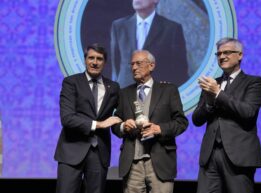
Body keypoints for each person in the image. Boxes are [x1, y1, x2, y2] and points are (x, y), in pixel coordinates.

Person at [192, 37, 261, 193]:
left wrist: (218, 93)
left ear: (240, 55)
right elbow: (197, 120)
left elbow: (248, 112)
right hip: (210, 155)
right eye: (218, 54)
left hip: (238, 155)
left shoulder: (253, 82)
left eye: (227, 52)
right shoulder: (211, 84)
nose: (222, 57)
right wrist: (210, 103)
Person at [112, 50, 188, 193]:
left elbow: (181, 122)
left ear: (151, 66)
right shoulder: (124, 93)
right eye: (132, 64)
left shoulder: (168, 90)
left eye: (139, 63)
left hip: (160, 162)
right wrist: (123, 126)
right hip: (132, 163)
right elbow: (115, 123)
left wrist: (159, 129)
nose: (134, 67)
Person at [54, 44, 122, 193]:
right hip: (71, 151)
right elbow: (67, 118)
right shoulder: (71, 82)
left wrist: (160, 88)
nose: (95, 62)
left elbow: (121, 115)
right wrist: (99, 124)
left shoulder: (114, 87)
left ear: (105, 62)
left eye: (99, 59)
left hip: (99, 153)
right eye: (91, 58)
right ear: (85, 60)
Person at [110, 0, 188, 88]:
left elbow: (180, 70)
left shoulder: (172, 29)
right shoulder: (119, 26)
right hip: (125, 92)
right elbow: (115, 63)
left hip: (158, 94)